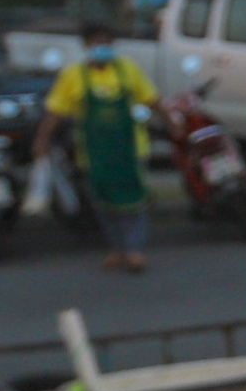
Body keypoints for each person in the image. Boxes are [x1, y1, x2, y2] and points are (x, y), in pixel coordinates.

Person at [43, 25, 160, 274]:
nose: (102, 49)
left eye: (107, 43)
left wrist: (173, 123)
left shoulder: (128, 70)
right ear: (86, 46)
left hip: (130, 148)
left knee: (133, 199)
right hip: (94, 152)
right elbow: (55, 112)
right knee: (104, 202)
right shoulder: (73, 76)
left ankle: (135, 249)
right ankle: (118, 248)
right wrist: (41, 140)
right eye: (97, 44)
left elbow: (152, 99)